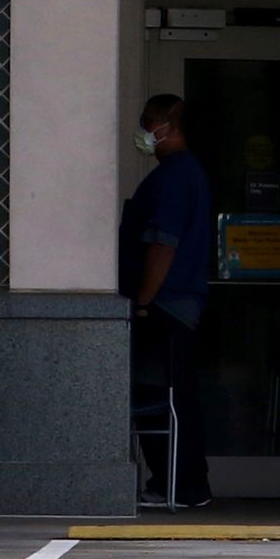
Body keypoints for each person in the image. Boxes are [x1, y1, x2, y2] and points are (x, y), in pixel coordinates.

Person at [120, 92, 213, 509]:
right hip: (177, 302)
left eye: (148, 122)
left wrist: (143, 299)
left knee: (160, 398)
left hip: (164, 304)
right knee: (174, 397)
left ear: (169, 127)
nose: (143, 131)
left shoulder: (174, 178)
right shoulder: (185, 174)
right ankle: (182, 484)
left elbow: (163, 244)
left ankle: (178, 485)